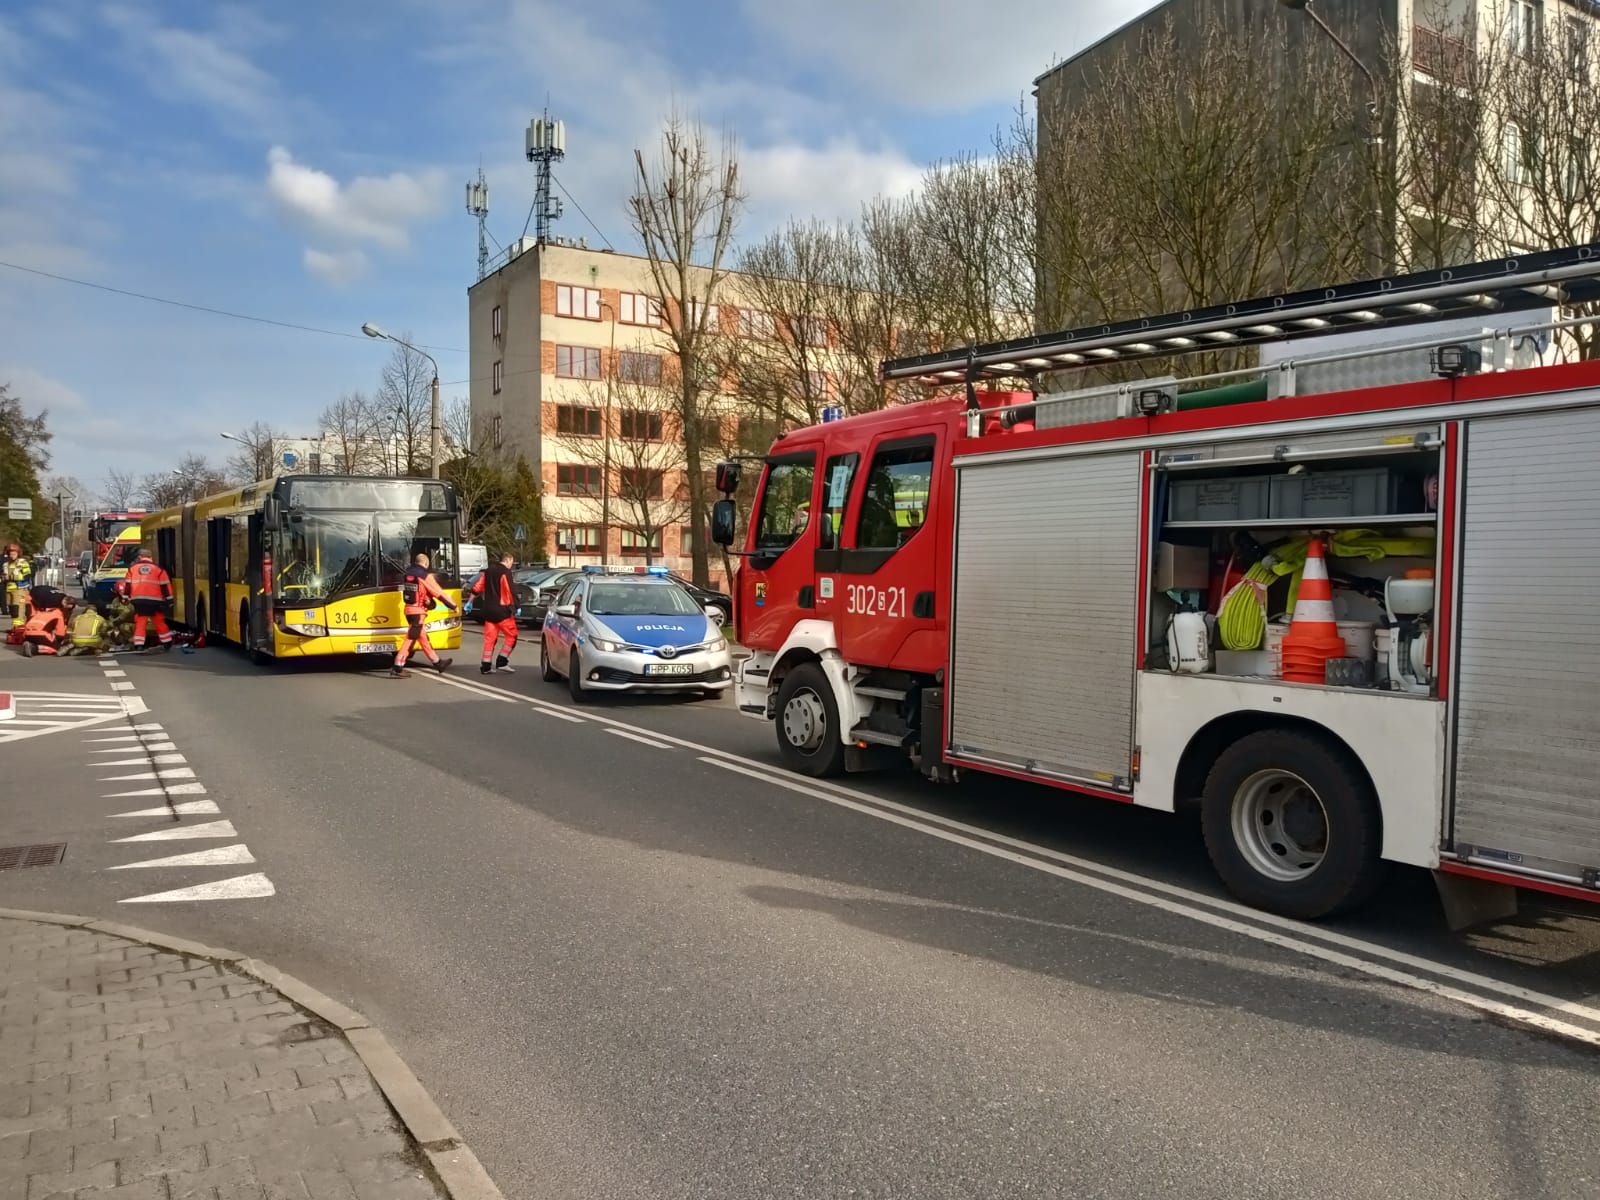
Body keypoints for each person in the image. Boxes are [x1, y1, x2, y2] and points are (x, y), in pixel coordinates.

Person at [392, 552, 455, 677]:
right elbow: (439, 592)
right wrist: (453, 606)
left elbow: (419, 591)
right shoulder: (424, 575)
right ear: (426, 563)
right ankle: (398, 666)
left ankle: (437, 662)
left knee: (423, 638)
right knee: (411, 638)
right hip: (418, 612)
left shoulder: (408, 574)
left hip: (409, 609)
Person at [115, 548, 174, 651]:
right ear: (151, 557)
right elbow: (165, 587)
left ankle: (139, 644)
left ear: (139, 557)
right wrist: (169, 600)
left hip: (139, 600)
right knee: (159, 621)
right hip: (155, 601)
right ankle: (167, 642)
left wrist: (125, 598)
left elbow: (128, 586)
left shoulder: (132, 569)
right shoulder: (159, 569)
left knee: (141, 622)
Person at [472, 550, 518, 675]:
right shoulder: (505, 572)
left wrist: (469, 602)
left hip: (488, 610)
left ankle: (486, 666)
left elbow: (477, 587)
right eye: (511, 563)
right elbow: (509, 590)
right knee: (512, 636)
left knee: (490, 639)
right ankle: (502, 661)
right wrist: (516, 606)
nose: (511, 566)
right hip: (502, 611)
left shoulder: (488, 571)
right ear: (507, 560)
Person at [20, 591, 71, 655]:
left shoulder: (41, 612)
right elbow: (60, 636)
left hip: (26, 634)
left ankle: (30, 644)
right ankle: (34, 648)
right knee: (56, 648)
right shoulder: (59, 615)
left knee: (43, 639)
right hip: (40, 634)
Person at [4, 543, 32, 623]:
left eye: (14, 554)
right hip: (9, 589)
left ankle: (19, 627)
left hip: (19, 589)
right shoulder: (6, 565)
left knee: (18, 609)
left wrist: (13, 577)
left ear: (18, 553)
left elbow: (27, 576)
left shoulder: (22, 563)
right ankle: (15, 626)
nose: (12, 555)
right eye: (10, 554)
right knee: (12, 610)